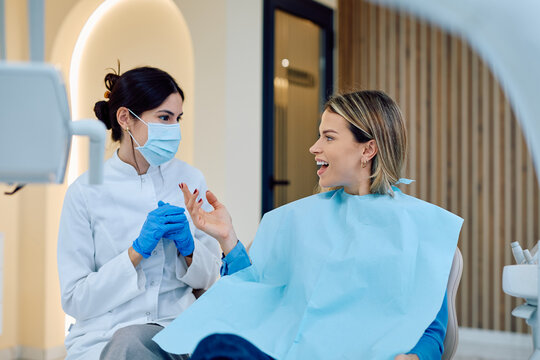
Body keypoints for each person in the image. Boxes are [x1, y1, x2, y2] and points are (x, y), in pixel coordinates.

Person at [153, 90, 463, 360]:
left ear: (367, 149)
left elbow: (430, 329)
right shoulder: (299, 220)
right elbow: (258, 294)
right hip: (289, 350)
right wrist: (228, 239)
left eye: (328, 137)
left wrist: (413, 358)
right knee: (216, 347)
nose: (314, 147)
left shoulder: (421, 227)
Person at [57, 66, 222, 360]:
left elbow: (210, 280)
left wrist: (189, 249)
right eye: (164, 118)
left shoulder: (190, 180)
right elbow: (75, 298)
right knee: (130, 343)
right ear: (125, 119)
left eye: (177, 119)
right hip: (107, 336)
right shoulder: (85, 192)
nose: (174, 129)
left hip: (179, 330)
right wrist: (135, 253)